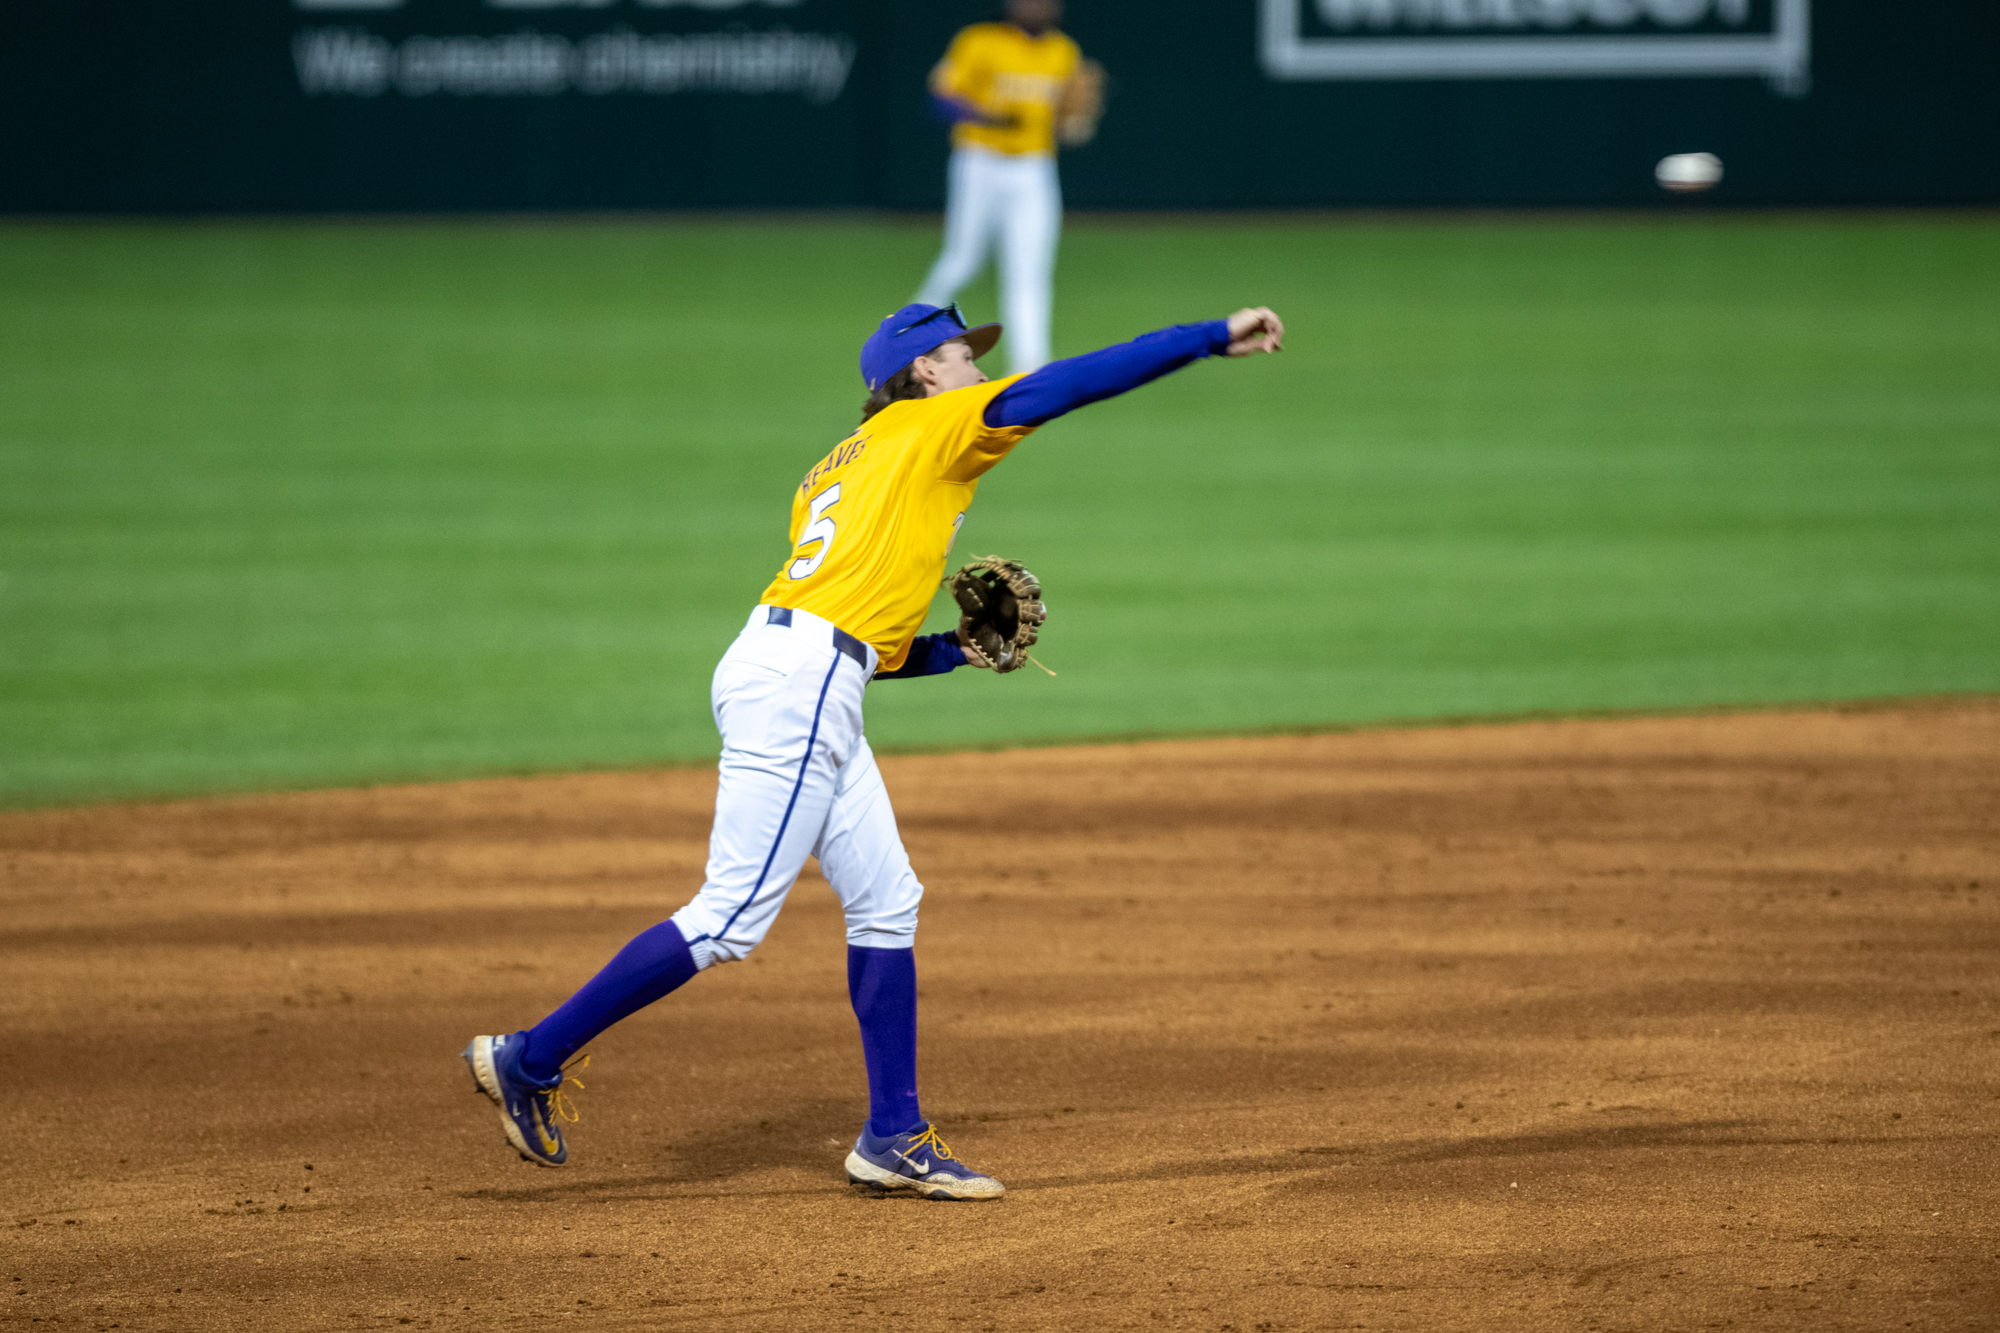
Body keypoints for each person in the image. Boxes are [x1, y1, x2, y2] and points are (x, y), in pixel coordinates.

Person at [463, 301, 1285, 1201]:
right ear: (923, 371)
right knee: (729, 917)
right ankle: (529, 1057)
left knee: (888, 900)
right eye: (962, 355)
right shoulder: (940, 422)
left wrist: (954, 650)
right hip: (802, 680)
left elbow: (865, 642)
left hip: (794, 667)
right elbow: (1071, 383)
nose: (979, 369)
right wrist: (1207, 337)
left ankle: (893, 1134)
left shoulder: (839, 465)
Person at [914, 0, 1104, 376]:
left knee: (1030, 270)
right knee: (963, 259)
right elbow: (938, 100)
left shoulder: (1063, 51)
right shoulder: (980, 41)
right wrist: (990, 117)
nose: (1038, 7)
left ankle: (1030, 368)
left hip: (1034, 168)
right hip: (978, 161)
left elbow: (1068, 121)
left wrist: (1076, 122)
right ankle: (909, 331)